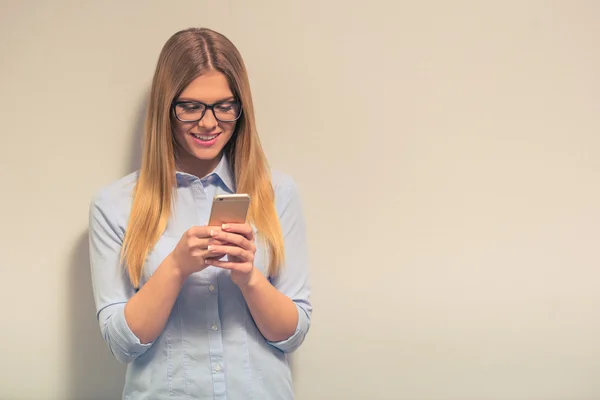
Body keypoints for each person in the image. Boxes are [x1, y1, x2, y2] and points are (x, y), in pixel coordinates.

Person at [88, 27, 312, 399]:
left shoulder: (279, 193)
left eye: (224, 106)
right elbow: (121, 344)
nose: (209, 123)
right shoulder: (114, 205)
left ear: (242, 108)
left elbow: (294, 333)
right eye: (190, 106)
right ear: (166, 108)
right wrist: (175, 267)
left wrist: (249, 279)